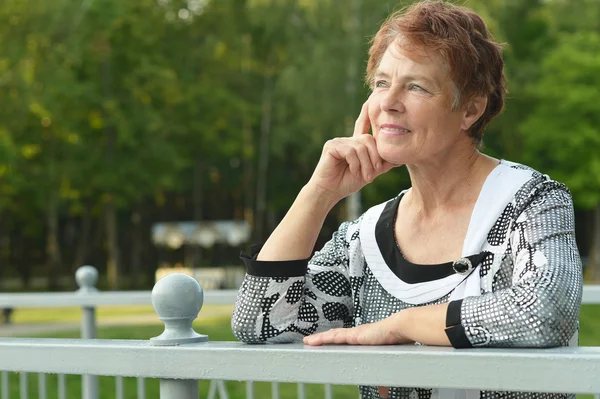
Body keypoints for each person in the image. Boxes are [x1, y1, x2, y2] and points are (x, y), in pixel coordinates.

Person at [232, 1, 583, 398]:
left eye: (415, 86)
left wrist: (402, 325)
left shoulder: (530, 202)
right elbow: (263, 322)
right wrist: (318, 194)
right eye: (382, 83)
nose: (388, 102)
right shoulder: (365, 237)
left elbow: (546, 313)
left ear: (470, 109)